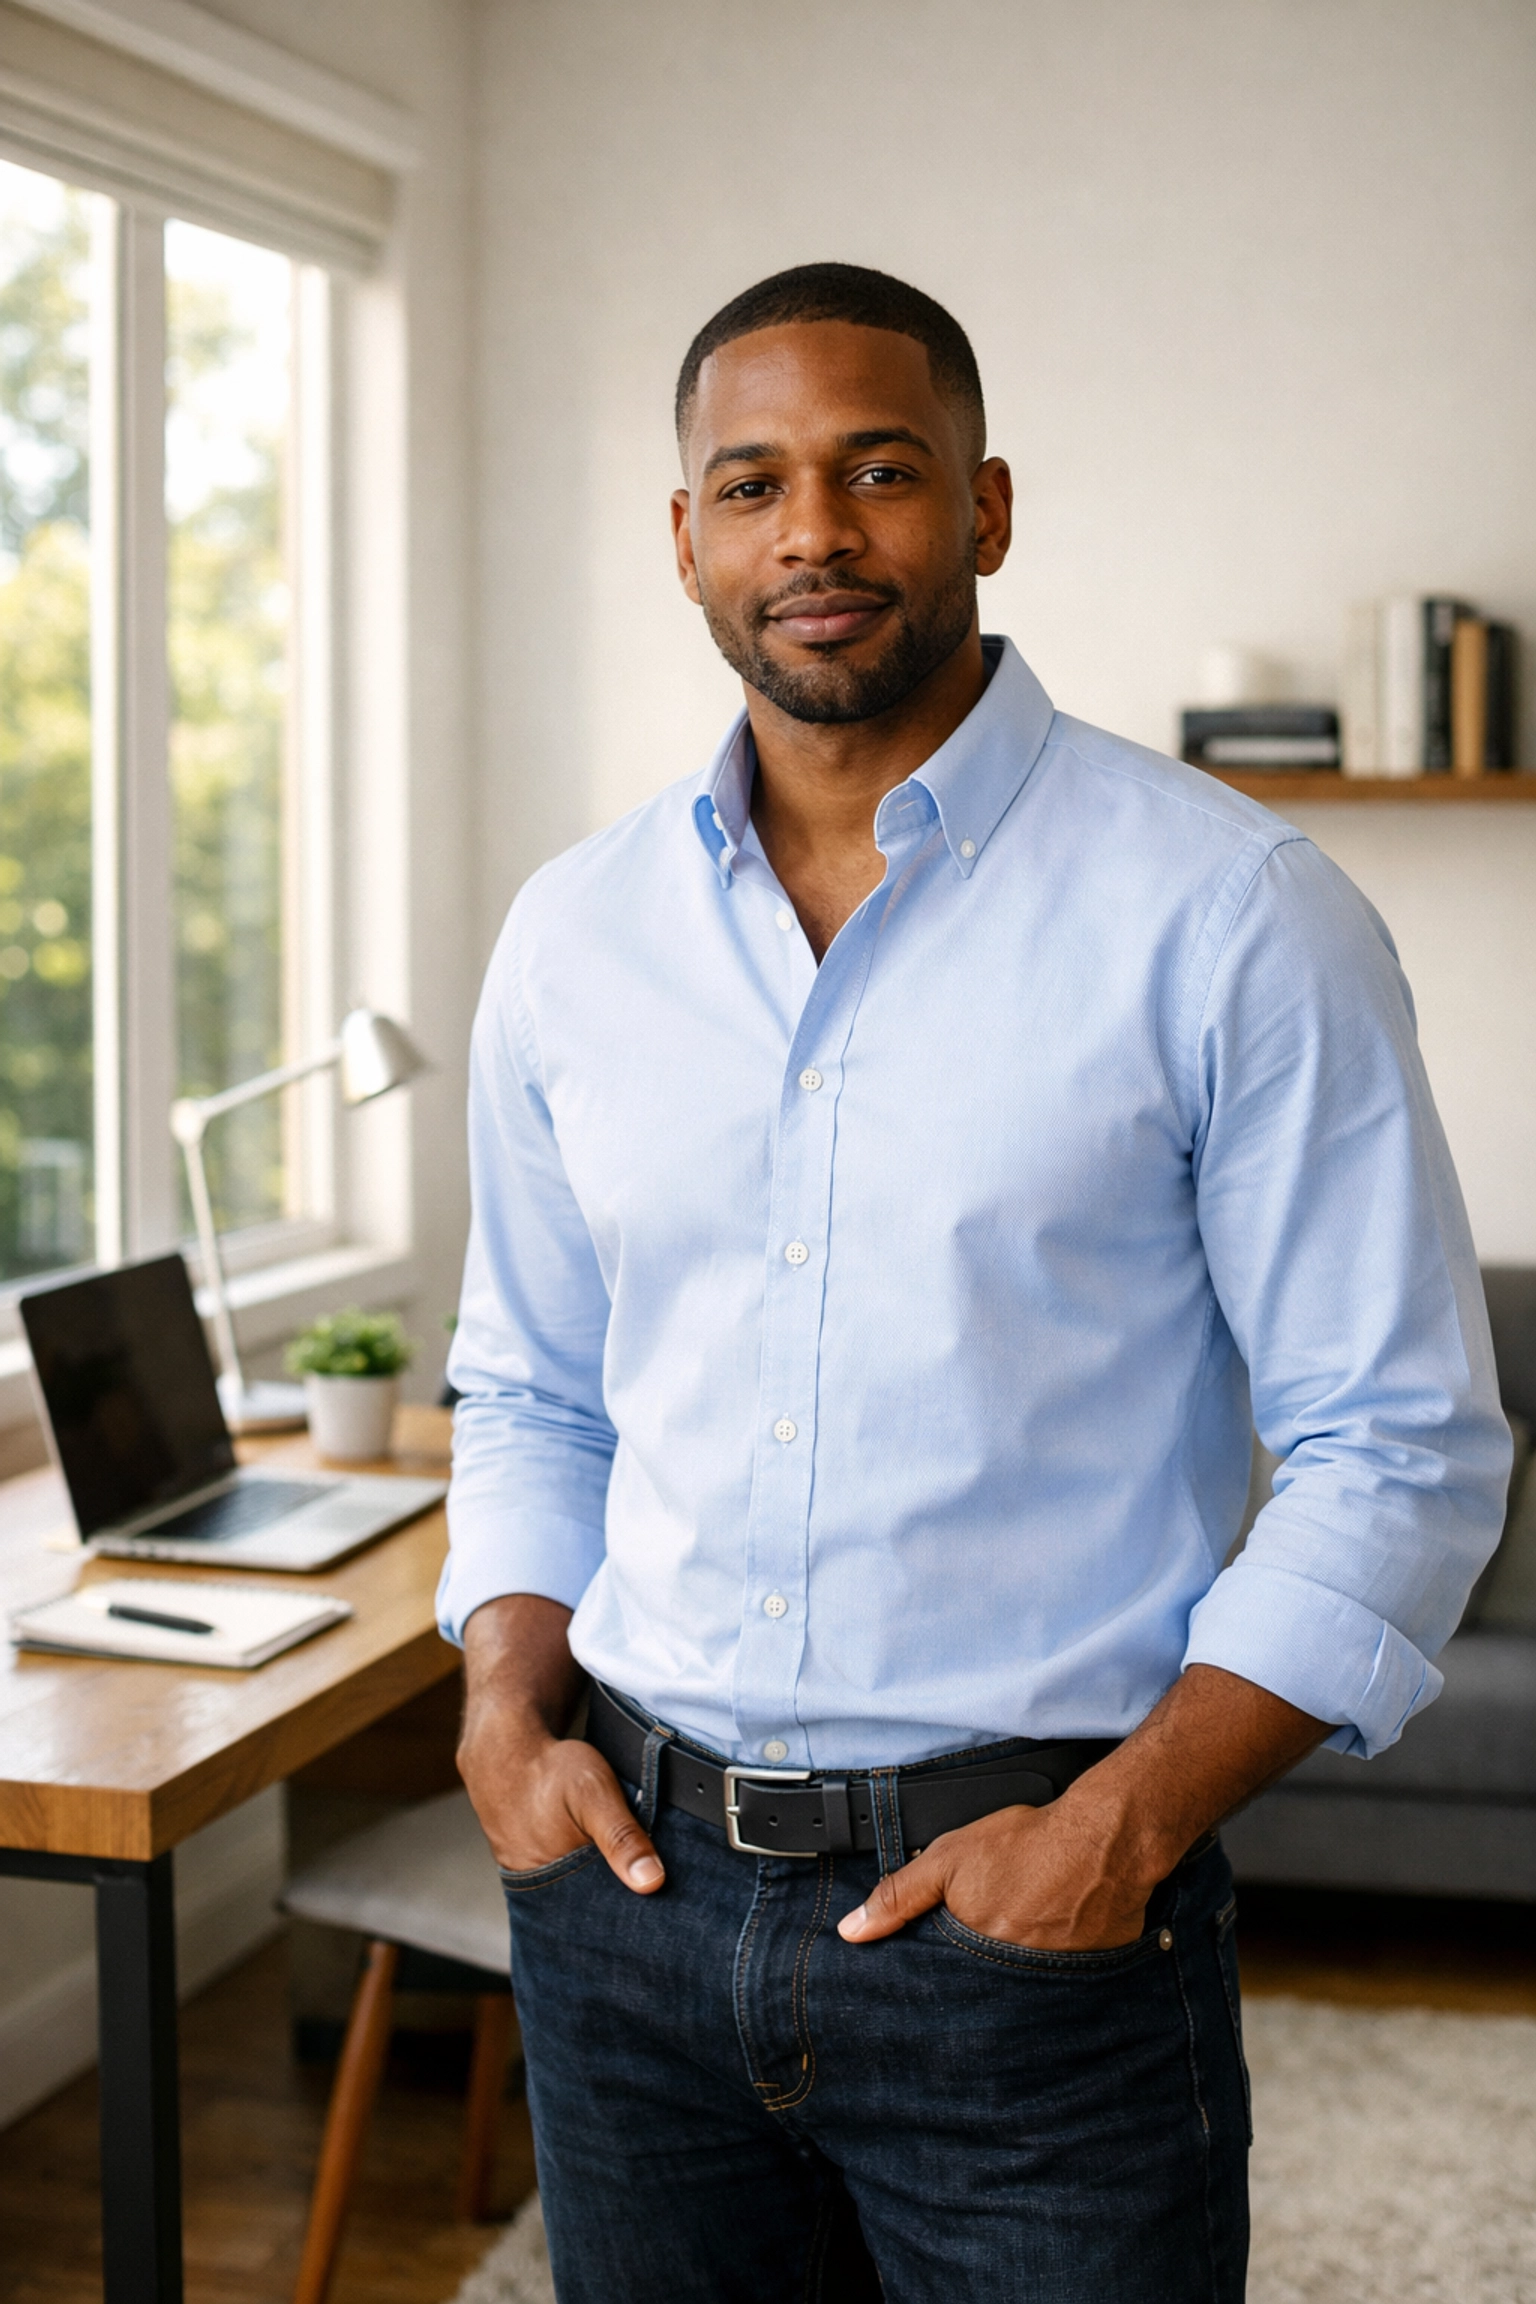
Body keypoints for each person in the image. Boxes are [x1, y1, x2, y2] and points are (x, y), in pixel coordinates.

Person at [440, 262, 1508, 2302]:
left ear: (988, 508)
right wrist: (504, 1705)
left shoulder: (1234, 915)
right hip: (624, 1916)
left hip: (1032, 1934)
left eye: (880, 471)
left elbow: (1396, 1445)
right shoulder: (571, 941)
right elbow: (536, 1388)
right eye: (749, 486)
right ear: (685, 539)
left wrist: (1117, 1832)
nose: (815, 535)